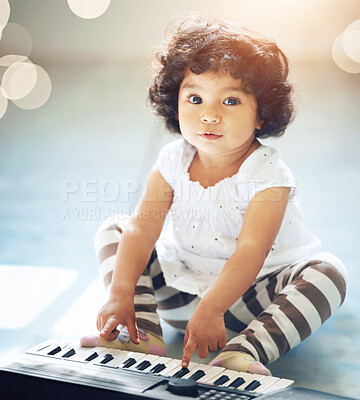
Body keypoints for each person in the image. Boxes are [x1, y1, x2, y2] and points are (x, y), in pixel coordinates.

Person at [81, 16, 347, 376]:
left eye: (231, 101)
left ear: (260, 115)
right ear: (175, 102)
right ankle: (139, 332)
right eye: (195, 98)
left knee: (329, 273)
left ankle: (244, 351)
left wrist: (212, 309)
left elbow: (250, 251)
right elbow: (143, 231)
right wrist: (120, 293)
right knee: (116, 228)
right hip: (178, 296)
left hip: (248, 305)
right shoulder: (173, 160)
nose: (209, 115)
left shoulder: (269, 176)